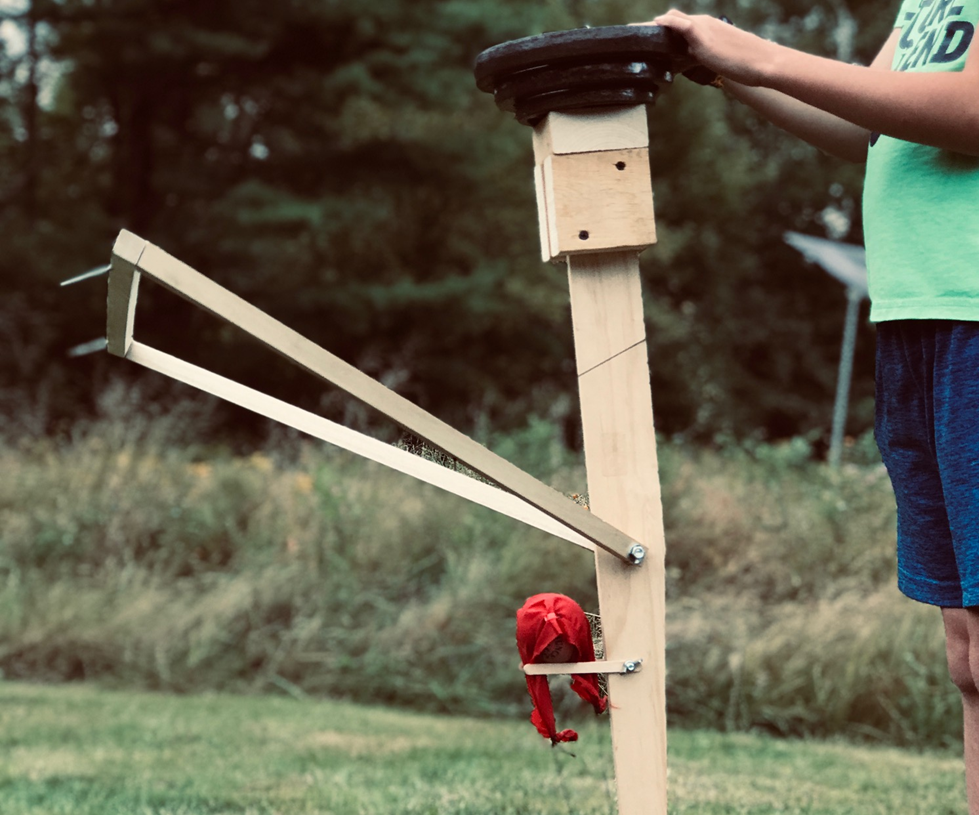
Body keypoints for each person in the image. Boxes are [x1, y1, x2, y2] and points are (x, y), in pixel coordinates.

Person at [639, 3, 979, 811]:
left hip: (973, 318)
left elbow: (967, 115)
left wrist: (759, 52)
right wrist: (725, 71)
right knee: (967, 654)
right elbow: (872, 122)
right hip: (918, 319)